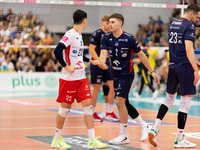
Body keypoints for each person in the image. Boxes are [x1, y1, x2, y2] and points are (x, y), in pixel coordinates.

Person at [99, 13, 160, 144]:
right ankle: (144, 126)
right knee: (125, 103)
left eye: (113, 22)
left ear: (120, 23)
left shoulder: (129, 39)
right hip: (114, 74)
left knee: (120, 102)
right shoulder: (105, 38)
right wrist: (102, 61)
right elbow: (103, 53)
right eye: (109, 22)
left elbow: (142, 56)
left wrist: (152, 72)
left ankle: (124, 135)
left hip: (127, 73)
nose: (110, 24)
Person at [51, 9, 107, 149]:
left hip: (81, 78)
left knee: (88, 106)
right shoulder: (70, 34)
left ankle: (92, 140)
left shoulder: (79, 35)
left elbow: (77, 54)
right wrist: (66, 66)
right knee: (65, 109)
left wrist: (90, 61)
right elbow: (57, 51)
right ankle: (56, 139)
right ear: (85, 21)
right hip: (69, 78)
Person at [148, 4, 200, 148]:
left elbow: (179, 47)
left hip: (173, 65)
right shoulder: (189, 26)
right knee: (185, 102)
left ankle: (155, 128)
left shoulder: (173, 23)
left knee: (169, 98)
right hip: (184, 66)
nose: (197, 20)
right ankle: (179, 139)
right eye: (196, 17)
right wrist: (195, 69)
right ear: (190, 14)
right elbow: (189, 49)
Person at [89, 15, 119, 122]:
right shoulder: (97, 34)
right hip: (97, 64)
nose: (109, 25)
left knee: (112, 86)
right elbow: (91, 50)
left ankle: (109, 112)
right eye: (107, 23)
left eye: (110, 23)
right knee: (96, 88)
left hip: (107, 64)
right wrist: (98, 61)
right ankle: (92, 113)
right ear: (102, 23)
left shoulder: (111, 35)